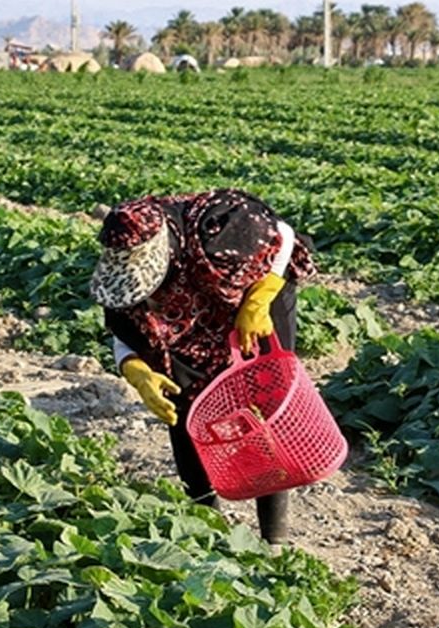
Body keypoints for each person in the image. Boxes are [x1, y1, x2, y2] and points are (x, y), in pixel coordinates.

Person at [90, 189, 316, 545]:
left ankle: (275, 540)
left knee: (260, 400)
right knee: (184, 404)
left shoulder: (215, 226)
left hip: (252, 297)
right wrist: (137, 372)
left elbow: (283, 237)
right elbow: (125, 331)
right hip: (187, 321)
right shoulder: (123, 272)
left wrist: (259, 300)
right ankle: (203, 524)